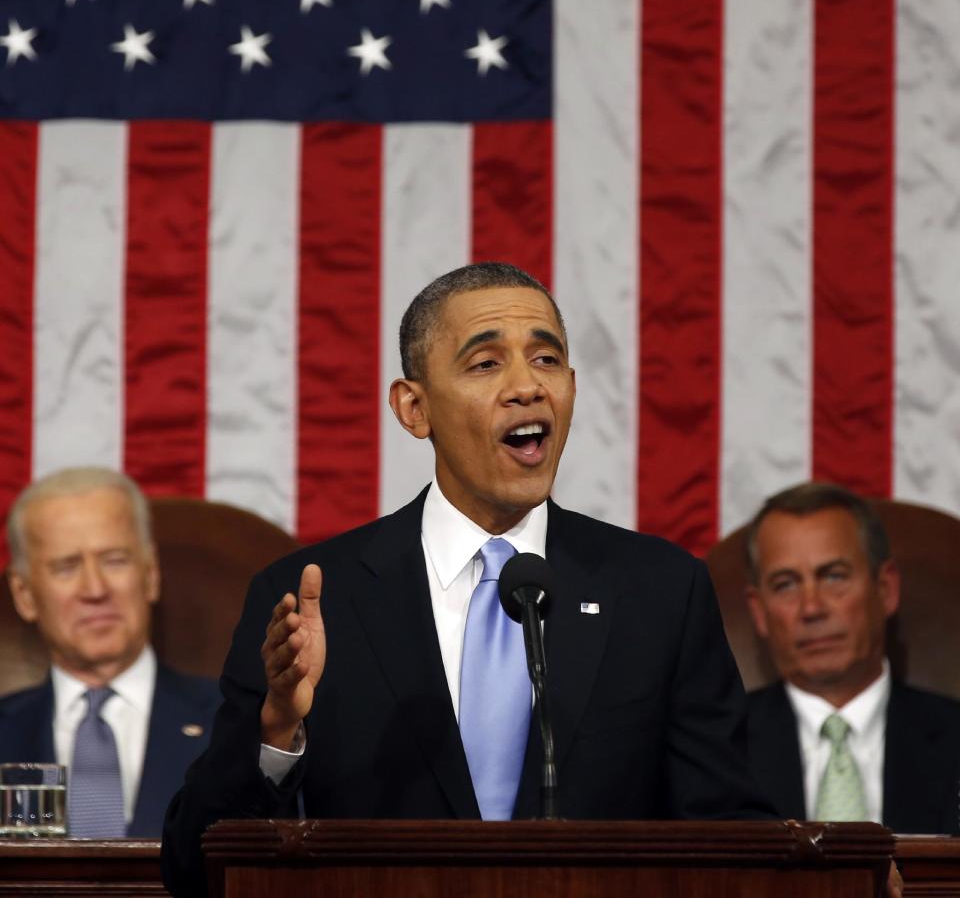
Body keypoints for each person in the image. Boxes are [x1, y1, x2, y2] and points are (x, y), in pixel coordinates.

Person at [161, 261, 773, 896]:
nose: (526, 387)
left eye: (546, 359)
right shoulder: (312, 599)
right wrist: (278, 732)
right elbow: (193, 866)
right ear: (414, 408)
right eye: (486, 364)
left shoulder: (660, 593)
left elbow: (731, 840)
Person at [0, 466, 221, 838]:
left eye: (115, 560)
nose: (95, 589)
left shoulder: (236, 723)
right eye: (66, 567)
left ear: (150, 574)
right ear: (24, 595)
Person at [744, 481, 960, 833]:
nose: (811, 608)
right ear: (758, 610)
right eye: (785, 584)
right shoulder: (718, 749)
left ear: (885, 589)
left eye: (833, 576)